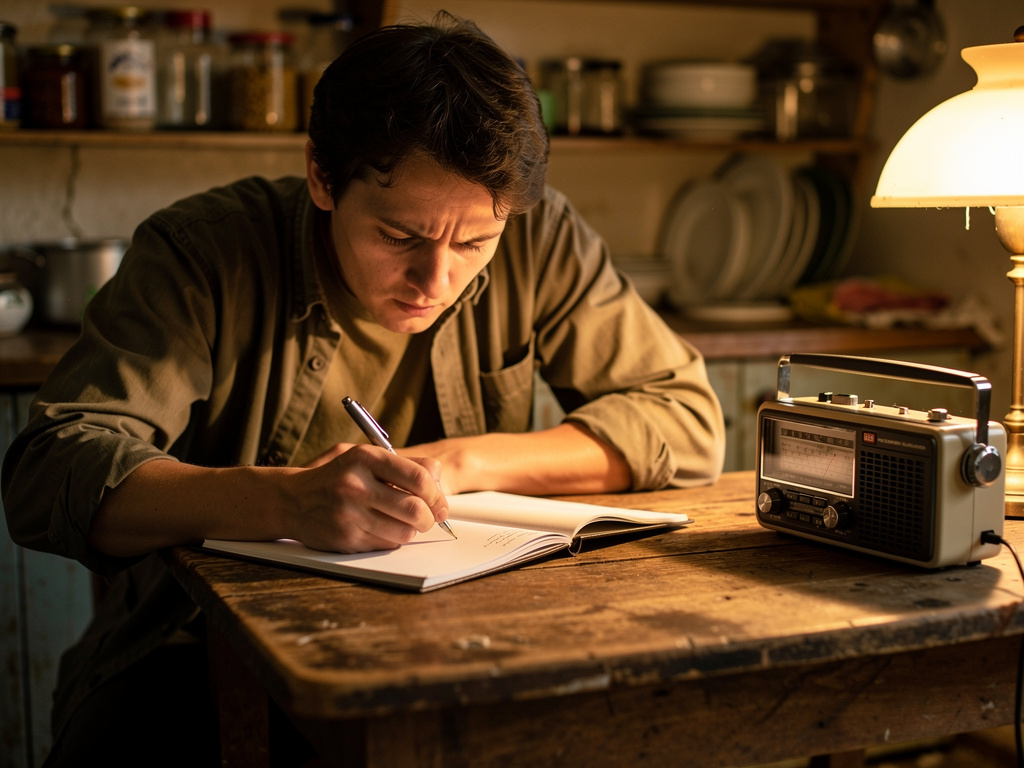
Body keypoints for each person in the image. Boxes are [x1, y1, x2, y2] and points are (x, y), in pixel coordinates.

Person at [1, 13, 725, 766]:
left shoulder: (540, 238)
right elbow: (50, 468)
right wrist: (284, 501)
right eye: (400, 237)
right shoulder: (203, 253)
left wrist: (456, 465)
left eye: (475, 244)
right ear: (322, 175)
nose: (436, 282)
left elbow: (686, 418)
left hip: (471, 638)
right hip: (194, 651)